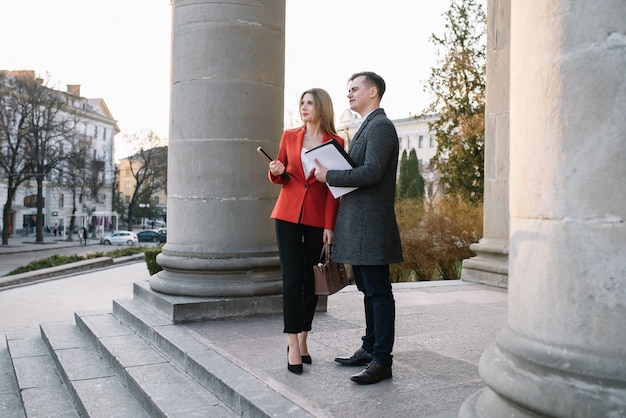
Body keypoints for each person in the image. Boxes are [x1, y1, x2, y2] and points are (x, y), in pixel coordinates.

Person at [314, 72, 403, 385]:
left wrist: (332, 176)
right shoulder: (367, 126)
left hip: (372, 224)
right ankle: (369, 348)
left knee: (378, 292)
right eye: (347, 89)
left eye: (355, 89)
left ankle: (382, 360)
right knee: (368, 290)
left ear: (373, 92)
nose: (349, 94)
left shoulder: (381, 126)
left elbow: (373, 172)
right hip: (360, 223)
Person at [267, 88, 343, 375]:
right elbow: (280, 174)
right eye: (302, 102)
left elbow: (334, 190)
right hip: (287, 213)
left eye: (309, 103)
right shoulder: (290, 136)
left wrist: (329, 226)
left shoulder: (336, 141)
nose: (304, 107)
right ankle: (292, 344)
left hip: (316, 218)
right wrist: (276, 169)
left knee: (312, 281)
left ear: (322, 108)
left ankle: (303, 337)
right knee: (292, 278)